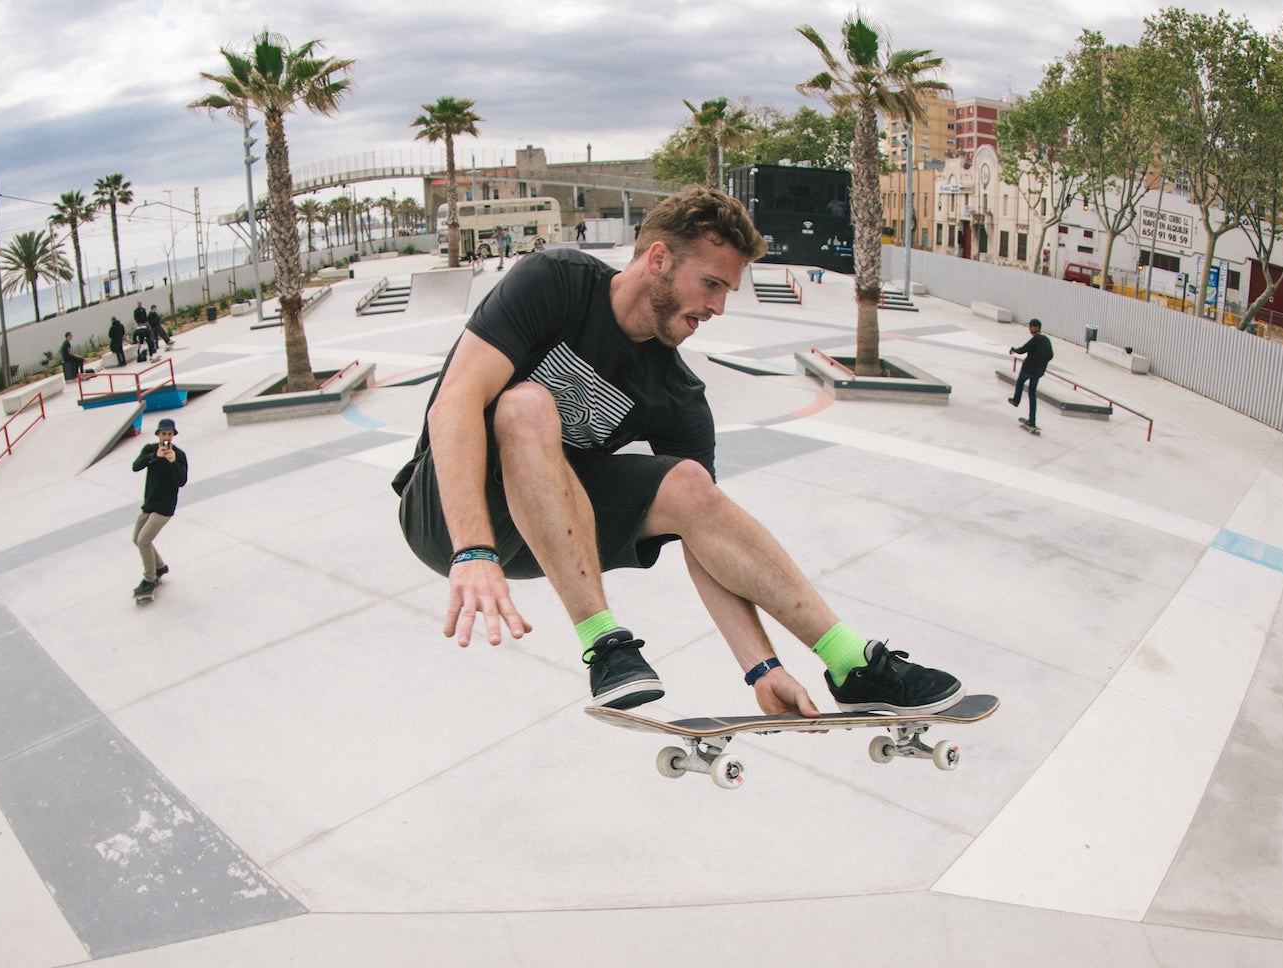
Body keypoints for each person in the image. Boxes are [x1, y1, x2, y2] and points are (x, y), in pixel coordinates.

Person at [391, 185, 963, 715]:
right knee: (524, 405)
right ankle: (605, 645)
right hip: (445, 510)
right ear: (658, 259)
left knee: (692, 484)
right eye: (711, 284)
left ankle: (850, 662)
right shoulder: (555, 282)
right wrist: (471, 549)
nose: (718, 308)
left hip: (546, 532)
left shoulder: (679, 396)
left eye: (727, 292)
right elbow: (455, 403)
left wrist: (760, 666)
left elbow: (709, 541)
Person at [131, 418, 187, 600]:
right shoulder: (150, 449)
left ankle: (150, 579)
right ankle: (160, 566)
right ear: (158, 434)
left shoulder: (179, 455)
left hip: (164, 507)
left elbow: (181, 481)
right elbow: (136, 466)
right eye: (163, 434)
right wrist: (155, 456)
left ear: (173, 435)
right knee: (137, 539)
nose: (166, 437)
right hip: (149, 503)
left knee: (143, 541)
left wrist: (172, 462)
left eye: (170, 434)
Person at [1009, 318, 1053, 429]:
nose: (1030, 329)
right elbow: (1051, 355)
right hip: (1038, 372)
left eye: (1031, 327)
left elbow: (1023, 349)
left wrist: (1014, 349)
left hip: (1028, 369)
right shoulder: (1047, 340)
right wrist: (1041, 363)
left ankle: (1016, 400)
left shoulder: (1036, 339)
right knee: (1032, 394)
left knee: (1020, 382)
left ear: (1037, 327)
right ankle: (1032, 420)